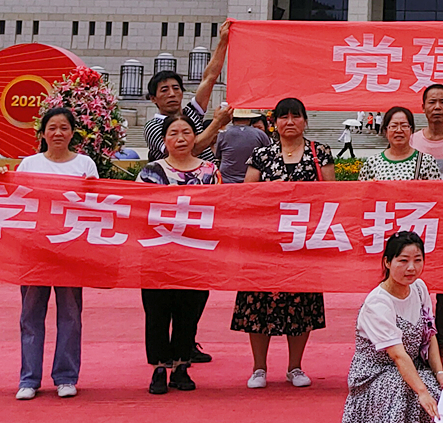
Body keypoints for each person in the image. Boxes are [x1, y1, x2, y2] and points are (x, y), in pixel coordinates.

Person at [321, 229, 443, 423]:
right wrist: (422, 392)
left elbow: (430, 335)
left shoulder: (419, 288)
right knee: (399, 383)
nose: (411, 268)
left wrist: (439, 374)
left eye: (418, 260)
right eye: (403, 261)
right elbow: (398, 355)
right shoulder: (378, 303)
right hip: (376, 374)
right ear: (387, 262)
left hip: (412, 368)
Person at [237, 97, 330, 388]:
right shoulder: (262, 154)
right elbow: (246, 195)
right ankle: (259, 368)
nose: (289, 122)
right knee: (258, 302)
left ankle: (295, 367)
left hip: (303, 242)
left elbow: (331, 196)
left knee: (300, 303)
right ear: (274, 122)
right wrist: (270, 192)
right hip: (265, 242)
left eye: (295, 116)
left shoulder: (320, 152)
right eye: (283, 116)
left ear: (305, 120)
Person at [9, 106, 94, 400]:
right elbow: (16, 203)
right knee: (31, 314)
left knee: (70, 315)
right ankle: (29, 378)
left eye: (64, 128)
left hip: (71, 249)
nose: (58, 133)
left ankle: (66, 376)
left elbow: (94, 206)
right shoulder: (29, 164)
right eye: (52, 128)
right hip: (34, 250)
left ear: (73, 133)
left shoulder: (85, 164)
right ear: (43, 133)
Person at [137, 116, 219, 393]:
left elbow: (222, 210)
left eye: (186, 132)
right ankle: (159, 367)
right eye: (174, 133)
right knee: (157, 312)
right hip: (157, 253)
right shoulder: (150, 173)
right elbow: (137, 211)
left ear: (195, 137)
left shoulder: (210, 172)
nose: (181, 138)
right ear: (164, 140)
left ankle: (182, 365)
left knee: (189, 310)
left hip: (196, 254)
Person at [144, 55, 221, 161]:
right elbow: (187, 152)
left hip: (208, 170)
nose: (172, 94)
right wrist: (217, 122)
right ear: (153, 98)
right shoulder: (153, 127)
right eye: (164, 90)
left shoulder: (192, 112)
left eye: (176, 88)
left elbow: (209, 78)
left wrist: (222, 45)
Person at [358, 105, 443, 183]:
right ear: (386, 131)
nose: (399, 130)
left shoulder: (426, 161)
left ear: (411, 130)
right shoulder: (372, 163)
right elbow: (361, 194)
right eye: (394, 126)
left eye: (404, 126)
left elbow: (436, 193)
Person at [214, 108, 271, 185]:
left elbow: (217, 154)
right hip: (253, 180)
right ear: (249, 119)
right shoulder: (260, 134)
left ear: (232, 119)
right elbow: (269, 154)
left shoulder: (223, 134)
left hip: (227, 180)